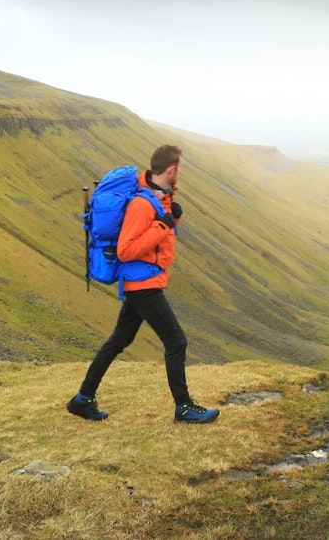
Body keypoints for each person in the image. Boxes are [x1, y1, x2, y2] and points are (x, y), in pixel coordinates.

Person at [67, 144, 219, 424]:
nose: (181, 173)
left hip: (144, 281)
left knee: (118, 341)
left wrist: (172, 218)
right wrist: (162, 225)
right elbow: (126, 250)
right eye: (180, 168)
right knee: (176, 341)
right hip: (143, 284)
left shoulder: (155, 197)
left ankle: (82, 399)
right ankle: (183, 407)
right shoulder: (140, 204)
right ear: (171, 169)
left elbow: (156, 235)